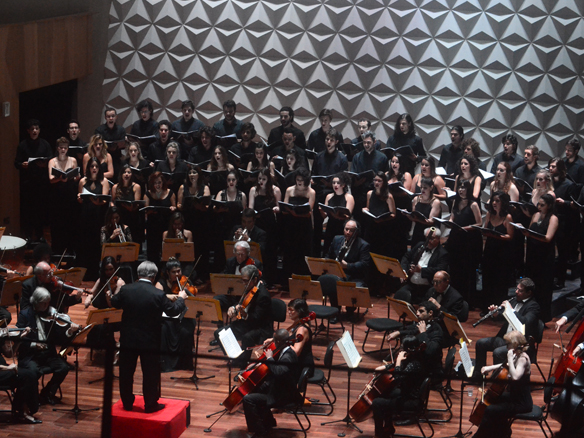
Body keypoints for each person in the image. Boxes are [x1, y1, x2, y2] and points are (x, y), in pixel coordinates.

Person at [111, 261, 187, 412]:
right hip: (150, 341)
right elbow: (173, 311)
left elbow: (114, 302)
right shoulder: (158, 294)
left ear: (139, 274)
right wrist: (181, 298)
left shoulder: (126, 289)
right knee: (150, 373)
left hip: (128, 339)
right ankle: (150, 404)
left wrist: (117, 289)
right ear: (153, 276)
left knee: (126, 372)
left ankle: (127, 402)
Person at [16, 287, 80, 406]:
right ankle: (32, 400)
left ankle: (47, 393)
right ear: (36, 302)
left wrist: (69, 332)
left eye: (48, 303)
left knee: (63, 368)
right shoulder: (25, 315)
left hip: (48, 354)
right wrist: (34, 345)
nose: (47, 306)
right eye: (43, 303)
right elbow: (19, 337)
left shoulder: (51, 315)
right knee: (33, 372)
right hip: (31, 355)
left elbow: (59, 337)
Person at [473, 278, 540, 378]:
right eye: (516, 289)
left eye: (520, 290)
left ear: (529, 292)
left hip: (519, 345)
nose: (516, 292)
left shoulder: (534, 306)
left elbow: (526, 322)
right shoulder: (514, 300)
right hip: (505, 339)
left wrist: (511, 310)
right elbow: (503, 316)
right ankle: (478, 376)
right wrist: (495, 314)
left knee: (498, 352)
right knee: (480, 343)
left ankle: (498, 381)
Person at [242, 328, 303, 438]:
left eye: (275, 341)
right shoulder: (286, 351)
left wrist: (269, 358)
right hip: (281, 388)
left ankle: (260, 432)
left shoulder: (288, 356)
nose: (273, 343)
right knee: (257, 389)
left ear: (279, 342)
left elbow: (279, 372)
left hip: (284, 396)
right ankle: (268, 423)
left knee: (248, 399)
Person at [472, 331, 533, 438]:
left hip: (521, 402)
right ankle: (502, 432)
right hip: (514, 396)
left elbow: (515, 377)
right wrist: (489, 367)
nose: (507, 346)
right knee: (493, 400)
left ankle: (480, 436)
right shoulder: (517, 355)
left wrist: (509, 357)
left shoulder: (523, 359)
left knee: (491, 410)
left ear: (514, 344)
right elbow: (507, 364)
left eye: (508, 344)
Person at [214, 265, 273, 369]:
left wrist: (245, 314)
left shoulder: (263, 296)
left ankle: (243, 366)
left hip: (261, 327)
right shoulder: (249, 287)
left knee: (247, 337)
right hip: (248, 322)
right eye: (242, 281)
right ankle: (236, 357)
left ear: (255, 279)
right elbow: (241, 302)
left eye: (245, 281)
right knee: (219, 333)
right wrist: (233, 308)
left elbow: (257, 318)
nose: (243, 284)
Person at [371, 335, 427, 438]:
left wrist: (398, 361)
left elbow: (398, 377)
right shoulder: (412, 357)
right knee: (386, 392)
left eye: (402, 348)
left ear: (408, 349)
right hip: (406, 393)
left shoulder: (415, 365)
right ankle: (388, 428)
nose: (400, 350)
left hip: (411, 400)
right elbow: (395, 368)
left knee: (377, 403)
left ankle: (379, 434)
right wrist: (382, 368)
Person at [321, 219, 370, 320]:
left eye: (351, 230)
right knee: (332, 282)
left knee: (355, 288)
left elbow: (364, 264)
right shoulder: (337, 239)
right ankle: (335, 310)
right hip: (337, 273)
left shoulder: (363, 245)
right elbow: (328, 255)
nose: (348, 232)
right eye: (346, 229)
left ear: (357, 232)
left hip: (353, 275)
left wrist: (347, 265)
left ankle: (350, 311)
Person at [14, 119, 53, 241]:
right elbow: (16, 163)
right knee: (28, 211)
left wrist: (45, 164)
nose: (34, 131)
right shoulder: (22, 145)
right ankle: (29, 236)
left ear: (39, 130)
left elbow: (51, 160)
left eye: (36, 129)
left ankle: (41, 235)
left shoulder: (45, 144)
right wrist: (22, 165)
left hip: (42, 184)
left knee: (41, 210)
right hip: (28, 183)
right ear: (28, 131)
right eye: (32, 129)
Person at [521, 193, 558, 322]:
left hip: (544, 257)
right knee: (531, 285)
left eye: (542, 205)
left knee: (543, 286)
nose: (539, 207)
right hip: (532, 255)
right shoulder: (535, 215)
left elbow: (548, 238)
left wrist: (530, 235)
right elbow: (530, 231)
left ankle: (543, 316)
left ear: (549, 206)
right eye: (538, 204)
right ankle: (530, 313)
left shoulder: (553, 218)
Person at [155, 258, 197, 372]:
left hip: (182, 315)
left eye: (179, 271)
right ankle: (167, 363)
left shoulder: (184, 282)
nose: (177, 274)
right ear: (167, 272)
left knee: (187, 331)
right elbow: (158, 297)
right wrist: (171, 297)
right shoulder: (161, 283)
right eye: (174, 272)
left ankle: (184, 363)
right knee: (164, 329)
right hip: (167, 316)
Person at [311, 128, 348, 256]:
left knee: (334, 226)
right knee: (317, 227)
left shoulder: (342, 158)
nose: (329, 142)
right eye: (327, 139)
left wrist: (330, 184)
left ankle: (333, 255)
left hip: (335, 195)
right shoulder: (319, 156)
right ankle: (316, 256)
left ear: (336, 141)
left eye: (331, 140)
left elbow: (344, 179)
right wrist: (314, 181)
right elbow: (313, 174)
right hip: (320, 193)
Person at [445, 179, 482, 303]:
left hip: (468, 240)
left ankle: (467, 299)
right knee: (454, 269)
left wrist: (465, 228)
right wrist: (449, 223)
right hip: (455, 238)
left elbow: (479, 223)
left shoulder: (473, 204)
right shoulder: (455, 201)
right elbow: (452, 217)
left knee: (466, 270)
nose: (461, 190)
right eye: (459, 188)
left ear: (468, 190)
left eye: (464, 188)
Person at [479, 192, 514, 312]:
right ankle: (486, 307)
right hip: (489, 250)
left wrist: (497, 236)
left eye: (497, 201)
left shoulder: (507, 217)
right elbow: (485, 229)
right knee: (488, 279)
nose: (494, 203)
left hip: (502, 253)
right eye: (493, 200)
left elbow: (510, 236)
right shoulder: (490, 214)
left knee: (499, 281)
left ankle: (499, 310)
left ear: (503, 203)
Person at [260, 299, 314, 376]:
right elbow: (286, 336)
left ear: (299, 311)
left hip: (302, 366)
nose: (289, 312)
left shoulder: (302, 330)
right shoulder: (297, 323)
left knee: (274, 372)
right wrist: (274, 339)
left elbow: (296, 352)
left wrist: (282, 343)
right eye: (288, 309)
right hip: (294, 362)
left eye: (291, 310)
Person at [386, 300, 443, 373]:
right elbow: (413, 330)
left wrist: (423, 333)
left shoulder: (437, 330)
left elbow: (430, 351)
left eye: (421, 311)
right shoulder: (423, 323)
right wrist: (398, 332)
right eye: (417, 311)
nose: (417, 314)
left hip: (426, 366)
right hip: (417, 358)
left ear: (430, 313)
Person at [77, 157, 110, 279]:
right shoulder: (82, 181)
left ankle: (96, 272)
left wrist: (93, 200)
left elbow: (105, 200)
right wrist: (80, 199)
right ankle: (85, 272)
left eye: (96, 166)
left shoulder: (103, 181)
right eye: (92, 166)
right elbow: (80, 199)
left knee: (96, 244)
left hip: (98, 216)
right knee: (85, 243)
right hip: (85, 215)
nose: (94, 168)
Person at [549, 157, 579, 291]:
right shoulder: (550, 183)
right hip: (551, 220)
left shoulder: (569, 185)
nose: (550, 169)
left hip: (564, 223)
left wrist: (564, 203)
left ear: (560, 169)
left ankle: (560, 280)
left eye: (553, 167)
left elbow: (575, 206)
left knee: (562, 253)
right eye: (550, 166)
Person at [397, 228, 449, 303]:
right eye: (427, 238)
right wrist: (403, 271)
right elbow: (406, 257)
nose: (428, 241)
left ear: (438, 239)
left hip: (427, 288)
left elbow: (440, 270)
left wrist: (421, 270)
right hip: (411, 284)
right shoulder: (420, 245)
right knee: (399, 297)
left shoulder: (443, 254)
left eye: (431, 239)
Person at [84, 256, 125, 351]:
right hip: (103, 313)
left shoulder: (119, 283)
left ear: (115, 268)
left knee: (104, 325)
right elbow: (92, 292)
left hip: (115, 314)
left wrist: (108, 298)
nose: (109, 272)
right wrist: (88, 298)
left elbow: (114, 305)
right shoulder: (101, 280)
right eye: (106, 270)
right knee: (94, 323)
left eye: (111, 269)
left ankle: (108, 345)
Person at [48, 137, 80, 253]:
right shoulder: (52, 161)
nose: (63, 150)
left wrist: (76, 176)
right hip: (57, 195)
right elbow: (51, 179)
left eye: (65, 148)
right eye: (61, 148)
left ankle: (70, 250)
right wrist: (60, 178)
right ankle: (57, 250)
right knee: (57, 223)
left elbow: (77, 177)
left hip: (70, 194)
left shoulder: (73, 160)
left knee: (70, 222)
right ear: (57, 148)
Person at [0, 334, 41, 423]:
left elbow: (9, 354)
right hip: (2, 370)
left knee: (30, 374)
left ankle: (21, 410)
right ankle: (22, 411)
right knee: (27, 376)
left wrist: (19, 340)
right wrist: (7, 368)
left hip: (4, 369)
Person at [282, 167, 315, 278]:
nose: (299, 181)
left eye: (301, 179)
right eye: (297, 179)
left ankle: (303, 278)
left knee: (303, 252)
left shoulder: (311, 192)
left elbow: (309, 212)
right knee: (290, 251)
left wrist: (296, 213)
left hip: (304, 225)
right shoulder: (289, 190)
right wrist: (289, 210)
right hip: (291, 224)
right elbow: (285, 206)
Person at [424, 271, 467, 345]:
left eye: (438, 282)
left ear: (446, 282)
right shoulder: (431, 291)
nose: (435, 285)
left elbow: (453, 318)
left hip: (444, 330)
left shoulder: (456, 298)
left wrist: (439, 307)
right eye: (433, 281)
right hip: (430, 324)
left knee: (426, 338)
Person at [143, 171, 177, 263]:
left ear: (163, 182)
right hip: (153, 225)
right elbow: (145, 210)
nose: (157, 185)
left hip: (166, 224)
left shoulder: (170, 193)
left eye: (159, 182)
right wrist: (150, 210)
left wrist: (173, 208)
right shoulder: (148, 194)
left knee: (166, 250)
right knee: (153, 251)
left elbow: (175, 207)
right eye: (155, 183)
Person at [321, 173, 354, 256]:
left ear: (343, 185)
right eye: (333, 183)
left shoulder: (349, 197)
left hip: (342, 227)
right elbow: (324, 216)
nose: (335, 185)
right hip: (330, 226)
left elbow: (348, 216)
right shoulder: (329, 196)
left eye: (338, 183)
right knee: (327, 249)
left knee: (339, 251)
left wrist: (335, 214)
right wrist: (321, 210)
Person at [111, 163, 143, 245]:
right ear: (121, 174)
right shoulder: (115, 187)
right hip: (120, 215)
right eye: (124, 172)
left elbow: (137, 204)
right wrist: (113, 208)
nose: (126, 174)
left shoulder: (136, 187)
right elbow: (112, 201)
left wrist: (129, 207)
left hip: (132, 215)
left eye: (129, 172)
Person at [406, 177, 442, 247]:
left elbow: (431, 221)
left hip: (429, 232)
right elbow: (414, 216)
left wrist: (416, 219)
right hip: (417, 230)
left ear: (431, 188)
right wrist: (407, 215)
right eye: (421, 187)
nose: (422, 189)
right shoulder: (416, 199)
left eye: (425, 188)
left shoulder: (435, 202)